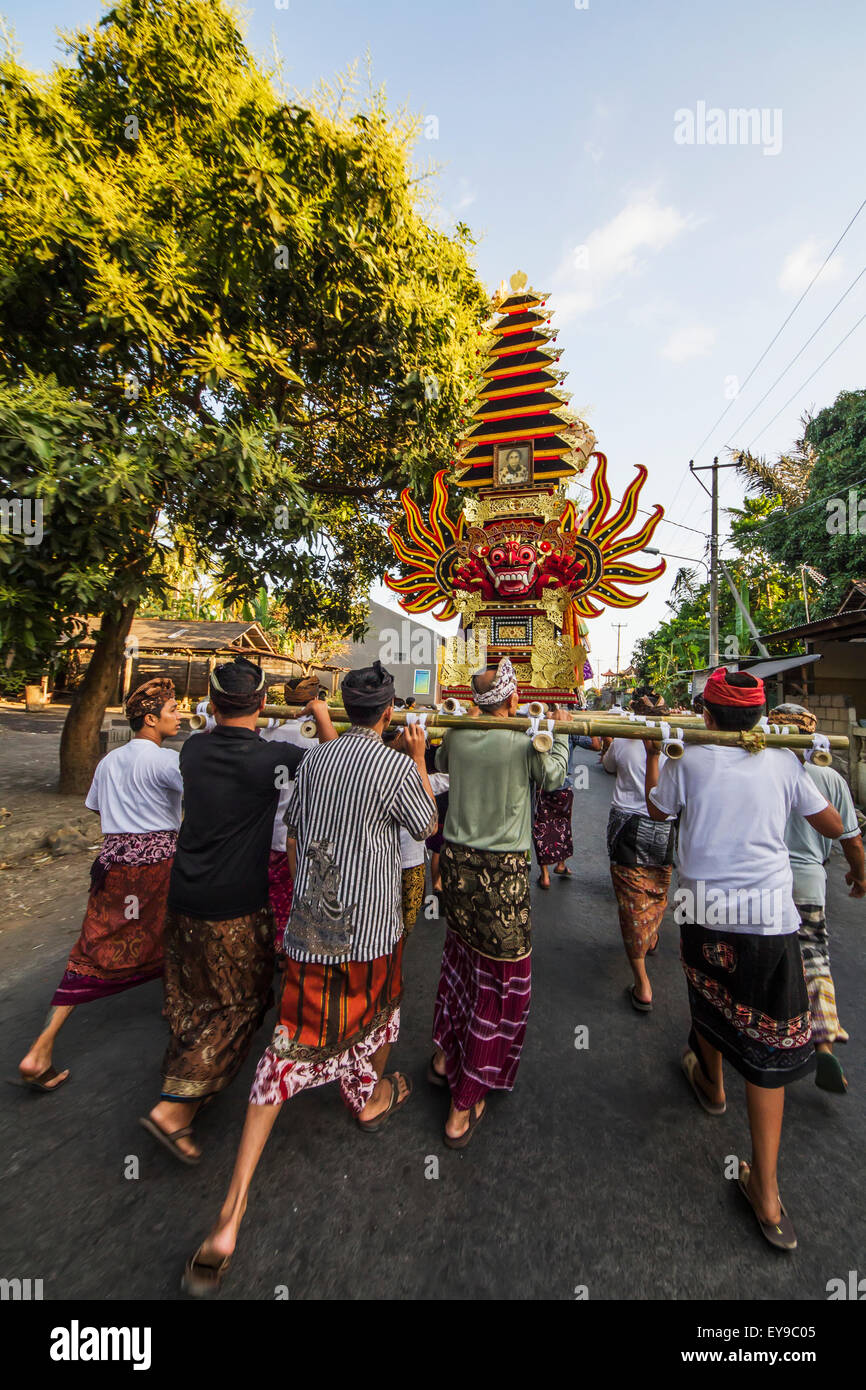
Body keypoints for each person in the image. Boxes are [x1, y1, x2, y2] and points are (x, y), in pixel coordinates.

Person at [181, 661, 436, 1295]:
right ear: (387, 713)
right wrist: (421, 756)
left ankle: (229, 1214)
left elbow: (294, 836)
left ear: (345, 707)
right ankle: (368, 1095)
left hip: (312, 928)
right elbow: (427, 829)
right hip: (372, 929)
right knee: (379, 1014)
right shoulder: (396, 766)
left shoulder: (311, 761)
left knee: (287, 1049)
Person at [644, 668, 844, 1251]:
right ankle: (769, 1194)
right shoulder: (785, 762)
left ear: (706, 714)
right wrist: (852, 852)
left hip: (702, 906)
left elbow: (657, 812)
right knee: (769, 1045)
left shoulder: (691, 756)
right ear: (759, 719)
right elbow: (829, 822)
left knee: (708, 1002)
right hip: (769, 918)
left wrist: (659, 751)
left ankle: (710, 1082)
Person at [140, 657, 336, 1165]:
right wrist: (318, 709)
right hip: (234, 905)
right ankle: (174, 1108)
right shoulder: (268, 759)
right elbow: (338, 761)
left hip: (182, 897)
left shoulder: (195, 748)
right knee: (243, 1003)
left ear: (212, 702)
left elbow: (223, 730)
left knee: (192, 998)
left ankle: (190, 1089)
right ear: (263, 703)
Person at [17, 678, 183, 1093]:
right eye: (173, 710)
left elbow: (95, 807)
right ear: (150, 718)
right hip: (157, 865)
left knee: (93, 945)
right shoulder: (167, 762)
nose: (179, 716)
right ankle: (176, 1007)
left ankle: (40, 1048)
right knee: (172, 929)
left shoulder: (110, 761)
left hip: (111, 864)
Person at [430, 657, 569, 1147]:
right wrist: (561, 732)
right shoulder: (523, 739)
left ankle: (445, 1056)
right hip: (502, 874)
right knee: (503, 979)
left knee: (461, 959)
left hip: (456, 867)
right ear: (511, 700)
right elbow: (553, 777)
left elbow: (442, 763)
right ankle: (461, 1104)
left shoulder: (458, 733)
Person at [771, 703, 866, 1094]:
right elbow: (852, 841)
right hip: (809, 883)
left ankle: (763, 1035)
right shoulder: (829, 776)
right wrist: (859, 875)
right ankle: (823, 1043)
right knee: (814, 960)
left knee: (769, 959)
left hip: (768, 883)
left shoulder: (763, 770)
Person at [602, 696, 676, 1011]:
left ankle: (642, 981)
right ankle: (653, 934)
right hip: (664, 826)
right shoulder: (678, 744)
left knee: (631, 902)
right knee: (658, 889)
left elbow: (607, 766)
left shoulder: (623, 738)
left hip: (628, 824)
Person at [260, 674, 321, 952]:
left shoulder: (268, 732)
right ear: (316, 700)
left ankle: (271, 943)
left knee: (273, 896)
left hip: (268, 832)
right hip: (299, 834)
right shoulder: (313, 740)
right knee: (297, 897)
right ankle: (288, 950)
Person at [534, 731, 600, 888]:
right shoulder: (569, 731)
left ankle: (545, 875)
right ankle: (561, 864)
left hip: (539, 786)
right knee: (562, 824)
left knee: (540, 827)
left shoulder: (535, 727)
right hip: (562, 786)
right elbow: (596, 745)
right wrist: (594, 728)